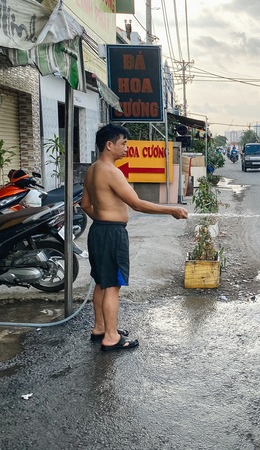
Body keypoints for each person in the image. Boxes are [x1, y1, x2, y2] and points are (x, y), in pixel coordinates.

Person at [81, 124, 189, 351]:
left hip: (98, 231)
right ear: (109, 145)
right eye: (124, 144)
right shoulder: (111, 171)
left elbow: (85, 205)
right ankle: (111, 337)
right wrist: (171, 210)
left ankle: (100, 328)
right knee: (112, 286)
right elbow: (137, 203)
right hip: (111, 234)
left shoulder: (92, 169)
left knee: (102, 282)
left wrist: (102, 219)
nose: (127, 149)